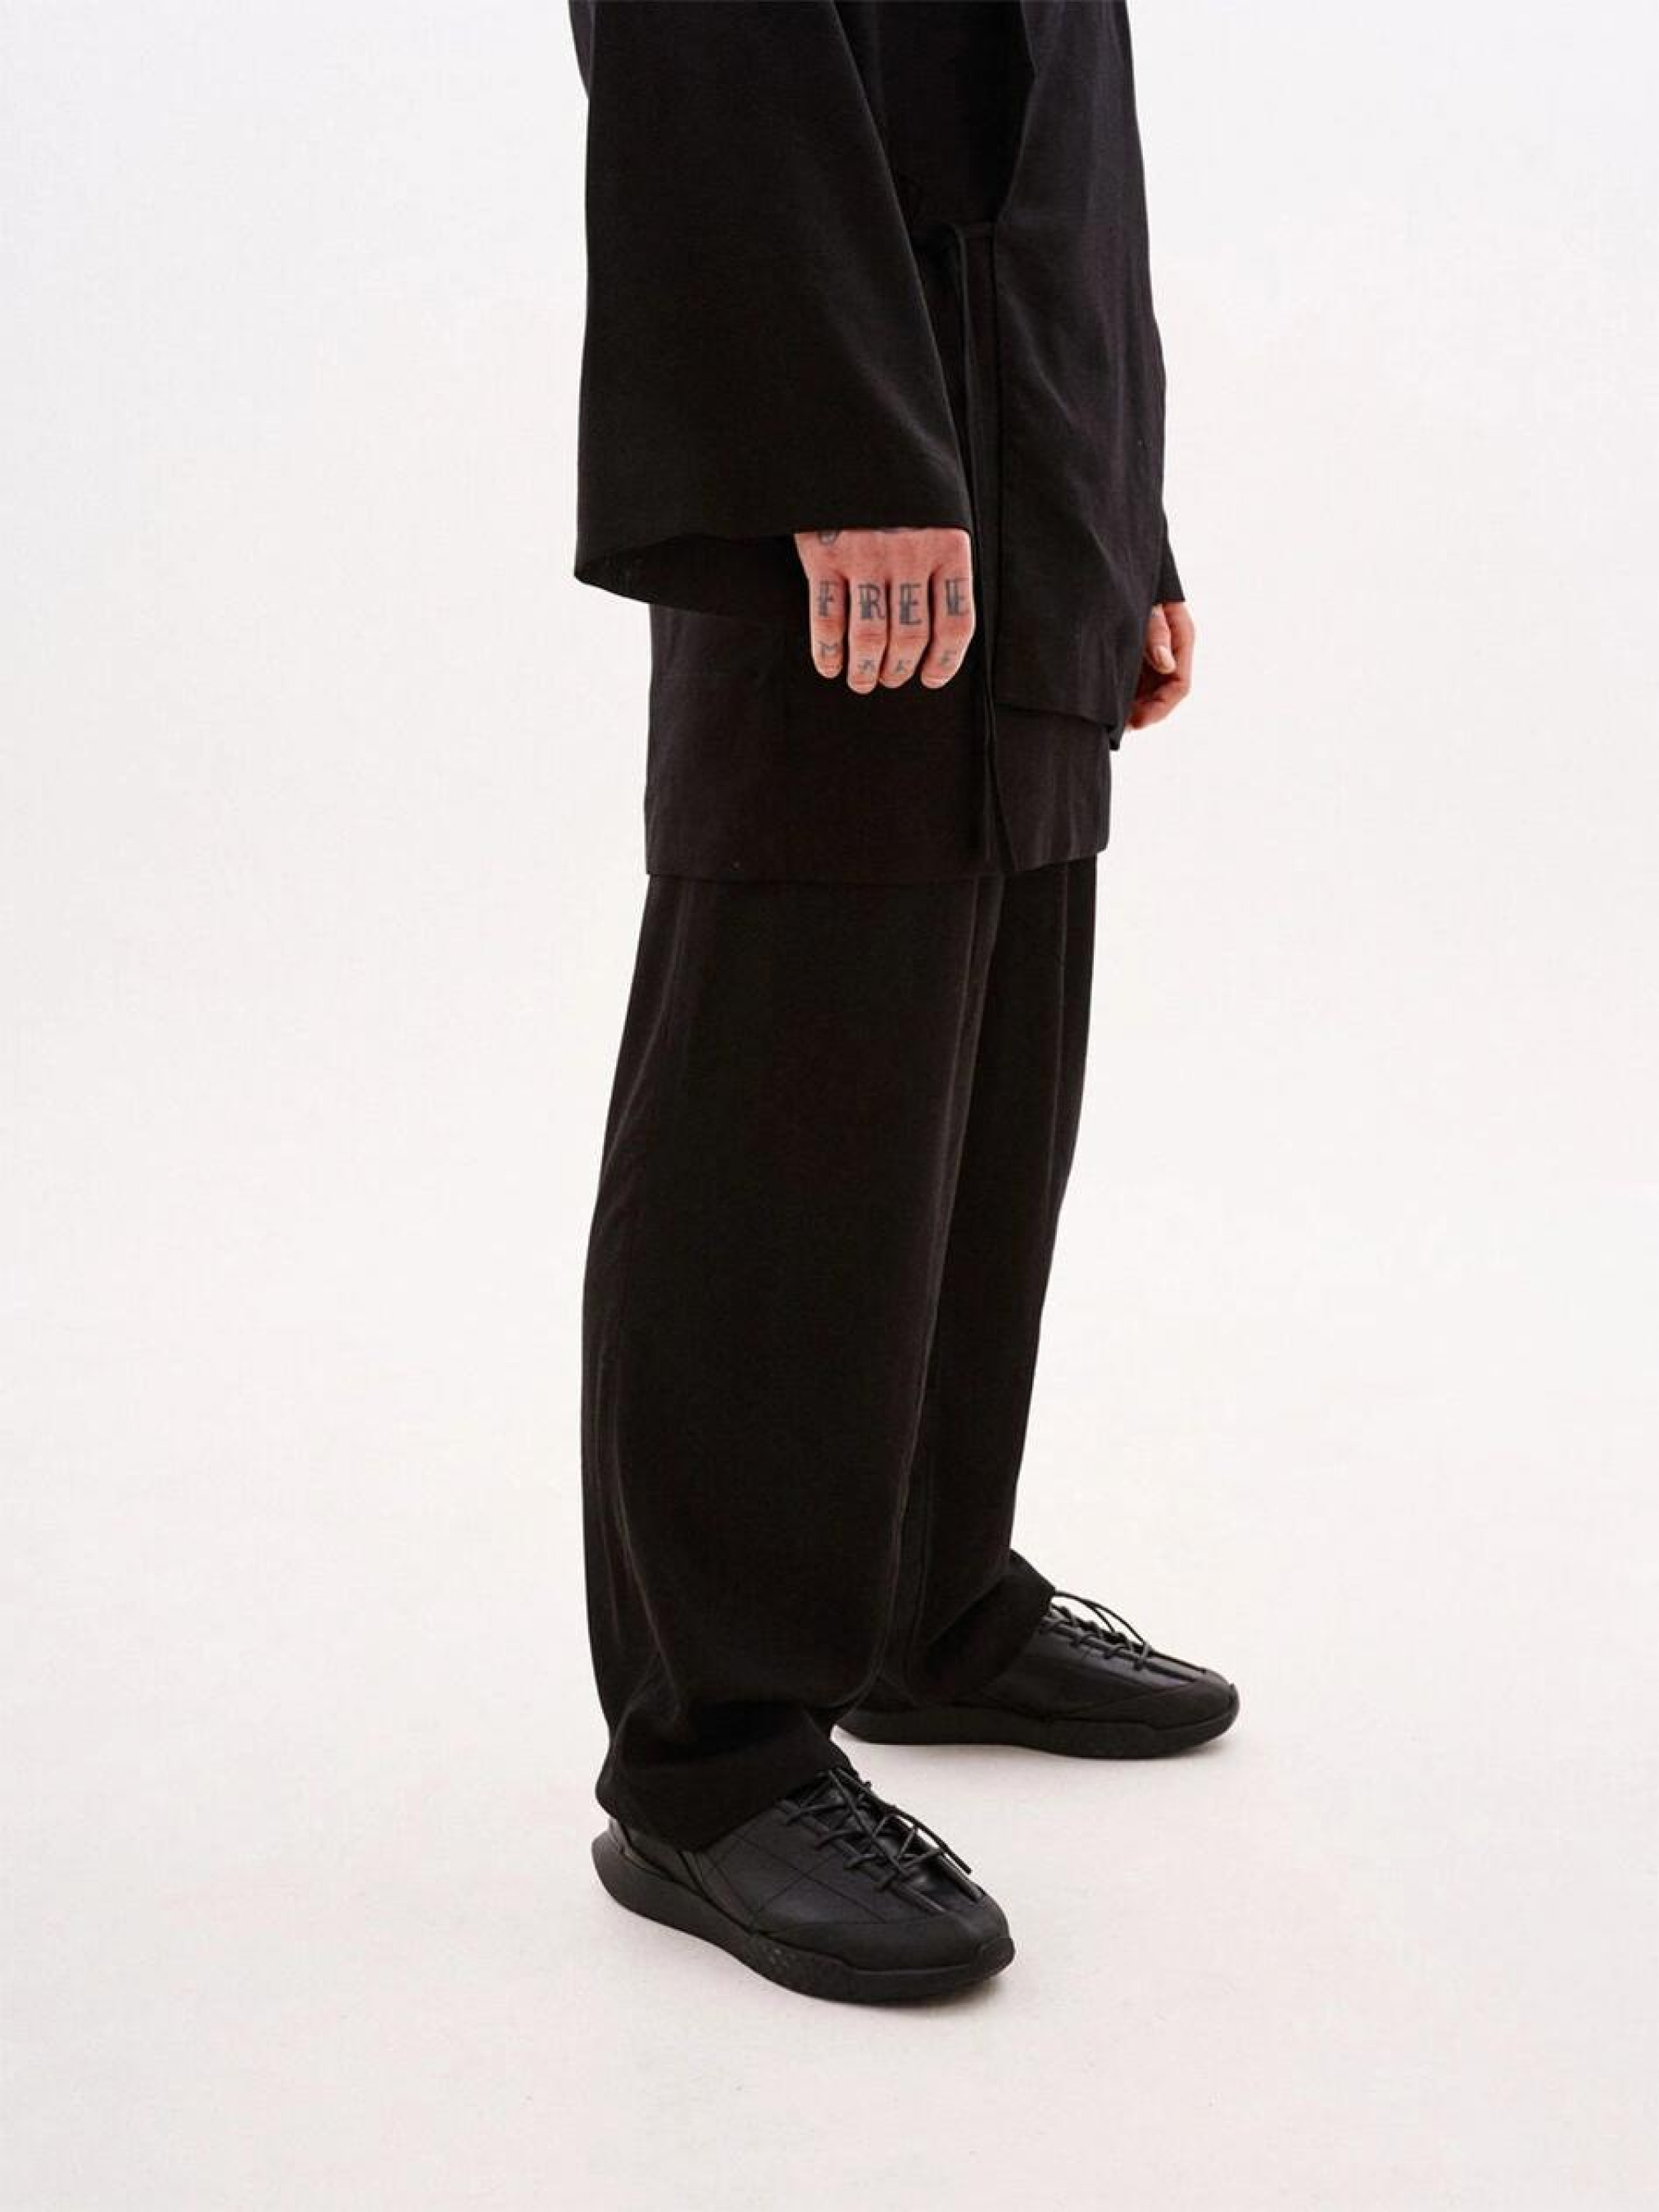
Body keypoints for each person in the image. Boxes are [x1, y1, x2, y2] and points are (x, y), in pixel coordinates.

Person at [567, 0, 1236, 2005]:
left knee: (993, 1042)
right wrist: (827, 431)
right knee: (799, 1053)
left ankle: (919, 1603)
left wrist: (1116, 502)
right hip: (847, 407)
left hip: (1028, 423)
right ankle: (712, 1755)